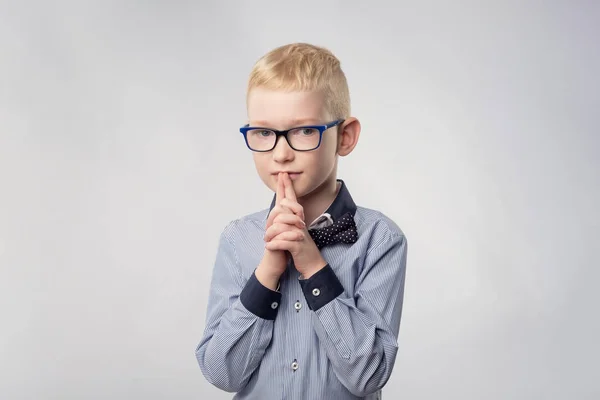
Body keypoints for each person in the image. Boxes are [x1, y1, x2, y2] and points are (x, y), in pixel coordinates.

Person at [195, 42, 408, 400]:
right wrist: (267, 272)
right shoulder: (237, 239)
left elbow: (369, 374)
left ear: (345, 136)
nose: (281, 153)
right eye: (264, 133)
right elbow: (221, 372)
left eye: (304, 131)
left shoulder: (380, 239)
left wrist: (312, 265)